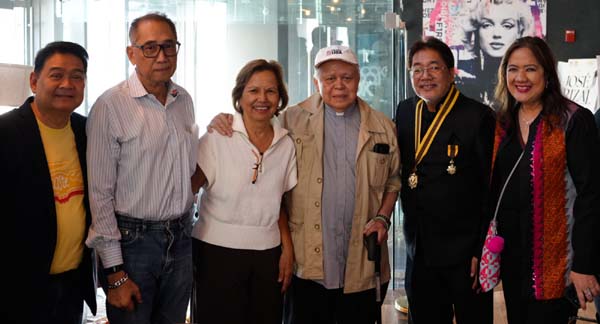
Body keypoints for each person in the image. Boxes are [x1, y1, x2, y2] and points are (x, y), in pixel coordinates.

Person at [209, 45, 401, 323]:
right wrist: (226, 119)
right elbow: (255, 127)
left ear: (358, 79)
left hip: (362, 263)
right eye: (329, 78)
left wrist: (383, 217)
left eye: (347, 78)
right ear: (316, 82)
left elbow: (393, 180)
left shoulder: (383, 127)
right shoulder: (290, 120)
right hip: (305, 264)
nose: (339, 86)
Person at [85, 12, 198, 324]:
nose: (161, 56)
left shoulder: (183, 100)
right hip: (133, 245)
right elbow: (100, 195)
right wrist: (116, 275)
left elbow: (189, 170)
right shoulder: (110, 105)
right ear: (131, 53)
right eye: (150, 47)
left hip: (181, 238)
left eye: (168, 46)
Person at [491, 36, 600, 324]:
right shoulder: (502, 123)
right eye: (513, 69)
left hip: (557, 262)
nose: (520, 78)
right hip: (513, 261)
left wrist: (584, 265)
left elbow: (591, 196)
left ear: (547, 75)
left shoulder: (573, 120)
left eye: (530, 69)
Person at [395, 36, 495, 324]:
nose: (424, 76)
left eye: (434, 67)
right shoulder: (404, 112)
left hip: (464, 253)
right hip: (420, 248)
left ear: (451, 73)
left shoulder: (478, 117)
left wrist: (480, 250)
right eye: (417, 69)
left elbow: (489, 189)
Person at [191, 59, 296, 324]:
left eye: (271, 91)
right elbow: (187, 191)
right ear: (240, 95)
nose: (262, 98)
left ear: (280, 98)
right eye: (254, 90)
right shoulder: (217, 137)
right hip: (215, 252)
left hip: (267, 255)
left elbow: (279, 202)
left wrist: (287, 249)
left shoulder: (286, 144)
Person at [0, 41, 97, 323]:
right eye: (56, 75)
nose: (67, 83)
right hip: (16, 289)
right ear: (34, 80)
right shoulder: (5, 134)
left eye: (77, 76)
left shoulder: (86, 131)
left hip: (71, 286)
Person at [458, 0, 533, 106]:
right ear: (475, 31)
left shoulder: (530, 78)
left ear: (520, 32)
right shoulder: (461, 77)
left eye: (507, 25)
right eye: (487, 25)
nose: (497, 34)